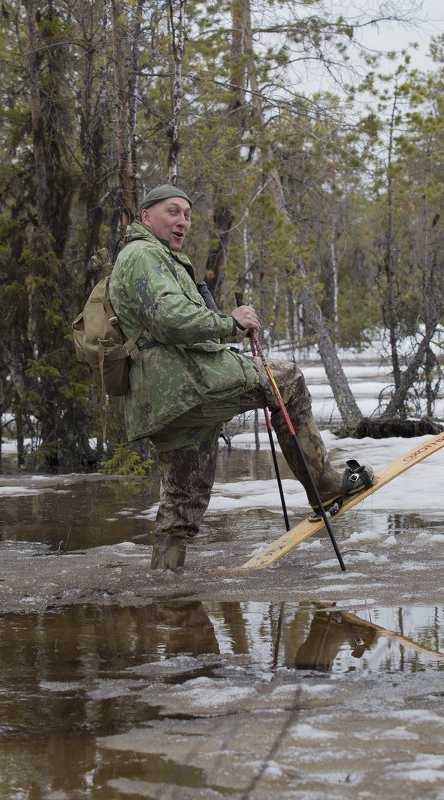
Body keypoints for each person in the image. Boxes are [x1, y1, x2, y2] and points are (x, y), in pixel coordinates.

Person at [108, 184, 372, 570]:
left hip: (160, 400)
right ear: (146, 217)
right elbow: (169, 318)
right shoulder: (145, 254)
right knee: (289, 380)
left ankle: (164, 594)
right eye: (172, 212)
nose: (182, 221)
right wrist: (229, 323)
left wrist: (220, 327)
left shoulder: (142, 256)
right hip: (186, 385)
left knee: (181, 502)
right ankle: (326, 489)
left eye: (187, 215)